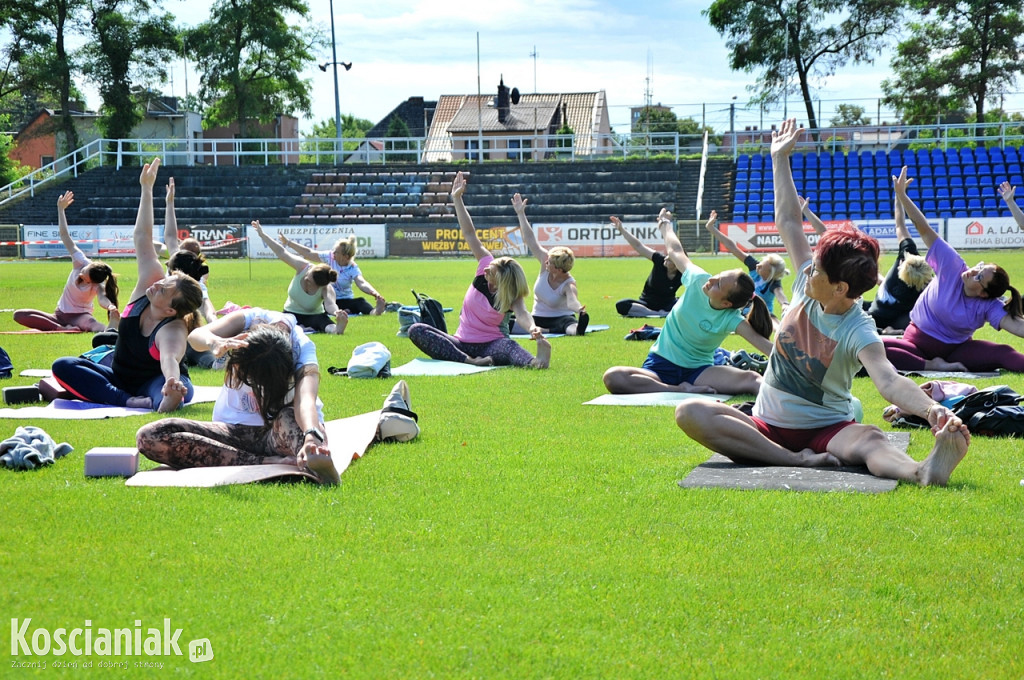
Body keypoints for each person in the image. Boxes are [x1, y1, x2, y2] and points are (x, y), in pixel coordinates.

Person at [675, 119, 970, 486]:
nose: (807, 270)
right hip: (766, 424)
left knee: (871, 439)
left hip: (828, 429)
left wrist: (932, 410)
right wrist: (779, 158)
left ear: (841, 288)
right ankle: (791, 459)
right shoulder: (806, 285)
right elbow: (787, 219)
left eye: (817, 269)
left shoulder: (858, 328)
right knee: (690, 412)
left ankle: (922, 471)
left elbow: (889, 382)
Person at [135, 309, 420, 486]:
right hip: (232, 433)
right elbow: (197, 335)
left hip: (279, 432)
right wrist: (216, 342)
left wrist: (311, 435)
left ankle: (306, 456)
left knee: (297, 428)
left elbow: (305, 401)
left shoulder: (303, 351)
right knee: (151, 435)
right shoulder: (249, 320)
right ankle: (266, 462)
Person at [51, 158, 204, 412]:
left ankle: (162, 398)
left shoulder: (173, 328)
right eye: (165, 280)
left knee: (167, 393)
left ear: (170, 310)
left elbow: (169, 358)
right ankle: (126, 399)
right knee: (63, 366)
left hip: (154, 381)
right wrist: (146, 188)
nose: (158, 284)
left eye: (165, 289)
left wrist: (171, 383)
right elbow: (142, 236)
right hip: (118, 376)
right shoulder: (150, 284)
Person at [602, 209, 774, 396]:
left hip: (700, 372)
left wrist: (803, 367)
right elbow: (675, 250)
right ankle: (678, 389)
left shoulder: (731, 319)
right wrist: (665, 225)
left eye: (718, 284)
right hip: (660, 365)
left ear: (726, 304)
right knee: (613, 377)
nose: (712, 280)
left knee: (753, 380)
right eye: (718, 276)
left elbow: (765, 346)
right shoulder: (698, 279)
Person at [880, 168, 1024, 372]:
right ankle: (931, 365)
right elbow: (923, 228)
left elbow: (1018, 327)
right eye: (979, 268)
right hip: (915, 345)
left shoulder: (989, 305)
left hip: (957, 350)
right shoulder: (953, 264)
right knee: (871, 345)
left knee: (1004, 352)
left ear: (983, 293)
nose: (974, 271)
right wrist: (902, 196)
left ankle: (937, 364)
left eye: (979, 276)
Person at [407, 171, 551, 368]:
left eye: (491, 273)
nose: (485, 272)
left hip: (492, 345)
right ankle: (469, 361)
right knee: (416, 330)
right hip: (461, 343)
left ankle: (535, 362)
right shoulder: (485, 263)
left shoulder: (511, 294)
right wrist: (457, 199)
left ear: (503, 281)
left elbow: (523, 314)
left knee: (509, 346)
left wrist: (533, 328)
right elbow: (469, 233)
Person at [14, 191, 120, 333]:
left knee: (92, 324)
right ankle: (62, 328)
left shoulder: (98, 284)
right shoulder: (80, 260)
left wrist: (110, 307)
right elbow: (65, 236)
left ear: (92, 282)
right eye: (83, 272)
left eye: (85, 279)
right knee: (19, 315)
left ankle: (111, 331)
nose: (80, 276)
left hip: (80, 316)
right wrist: (60, 209)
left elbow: (102, 299)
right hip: (59, 315)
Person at [510, 192, 589, 335]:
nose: (546, 262)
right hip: (536, 318)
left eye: (550, 262)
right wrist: (520, 213)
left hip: (561, 318)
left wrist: (580, 310)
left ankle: (576, 330)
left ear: (558, 269)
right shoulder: (545, 262)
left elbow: (572, 301)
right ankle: (545, 330)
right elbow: (530, 240)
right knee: (508, 322)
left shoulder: (569, 284)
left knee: (570, 326)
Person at [252, 220, 346, 334]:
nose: (306, 280)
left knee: (327, 325)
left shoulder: (326, 288)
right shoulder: (303, 266)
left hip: (315, 316)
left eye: (310, 282)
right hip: (291, 314)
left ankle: (338, 329)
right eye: (307, 276)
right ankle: (300, 328)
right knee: (279, 328)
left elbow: (330, 304)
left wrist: (337, 313)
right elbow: (281, 252)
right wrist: (262, 234)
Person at [865, 177, 933, 334]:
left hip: (876, 315)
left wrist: (899, 195)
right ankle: (891, 332)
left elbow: (899, 224)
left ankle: (887, 333)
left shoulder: (906, 257)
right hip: (893, 316)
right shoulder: (928, 287)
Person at [277, 233, 386, 316]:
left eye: (336, 252)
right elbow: (309, 253)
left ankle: (375, 312)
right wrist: (288, 243)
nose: (333, 253)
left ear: (346, 257)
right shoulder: (329, 257)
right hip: (328, 299)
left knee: (360, 302)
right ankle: (341, 312)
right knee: (320, 307)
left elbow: (361, 282)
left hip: (345, 299)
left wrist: (374, 293)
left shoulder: (352, 268)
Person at [704, 214, 789, 316]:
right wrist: (712, 228)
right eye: (760, 263)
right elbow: (732, 247)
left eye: (762, 267)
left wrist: (785, 305)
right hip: (743, 309)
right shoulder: (754, 266)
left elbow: (780, 295)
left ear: (770, 274)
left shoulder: (774, 283)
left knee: (771, 321)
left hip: (761, 315)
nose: (758, 266)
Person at [611, 215, 682, 317]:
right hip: (646, 303)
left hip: (668, 304)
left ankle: (661, 313)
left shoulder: (682, 271)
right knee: (622, 305)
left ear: (677, 264)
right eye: (666, 256)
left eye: (669, 259)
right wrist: (622, 230)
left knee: (686, 302)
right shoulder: (659, 260)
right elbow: (638, 246)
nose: (665, 259)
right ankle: (656, 314)